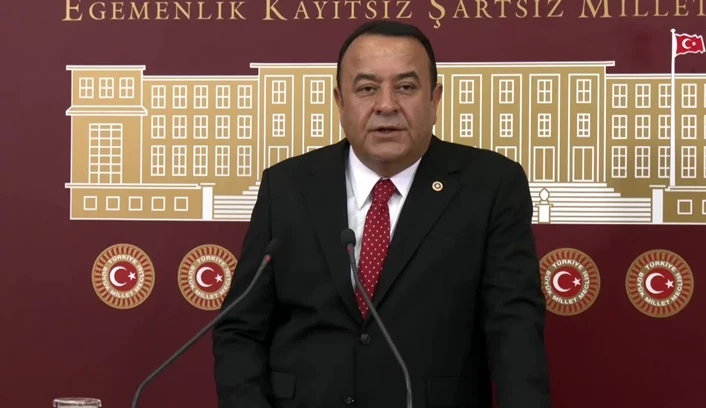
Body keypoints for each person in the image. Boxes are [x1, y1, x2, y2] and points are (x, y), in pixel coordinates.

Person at [212, 20, 550, 408]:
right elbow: (240, 328)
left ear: (435, 99)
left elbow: (515, 329)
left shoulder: (490, 185)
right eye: (367, 88)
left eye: (405, 87)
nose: (386, 105)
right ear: (340, 101)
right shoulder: (287, 186)